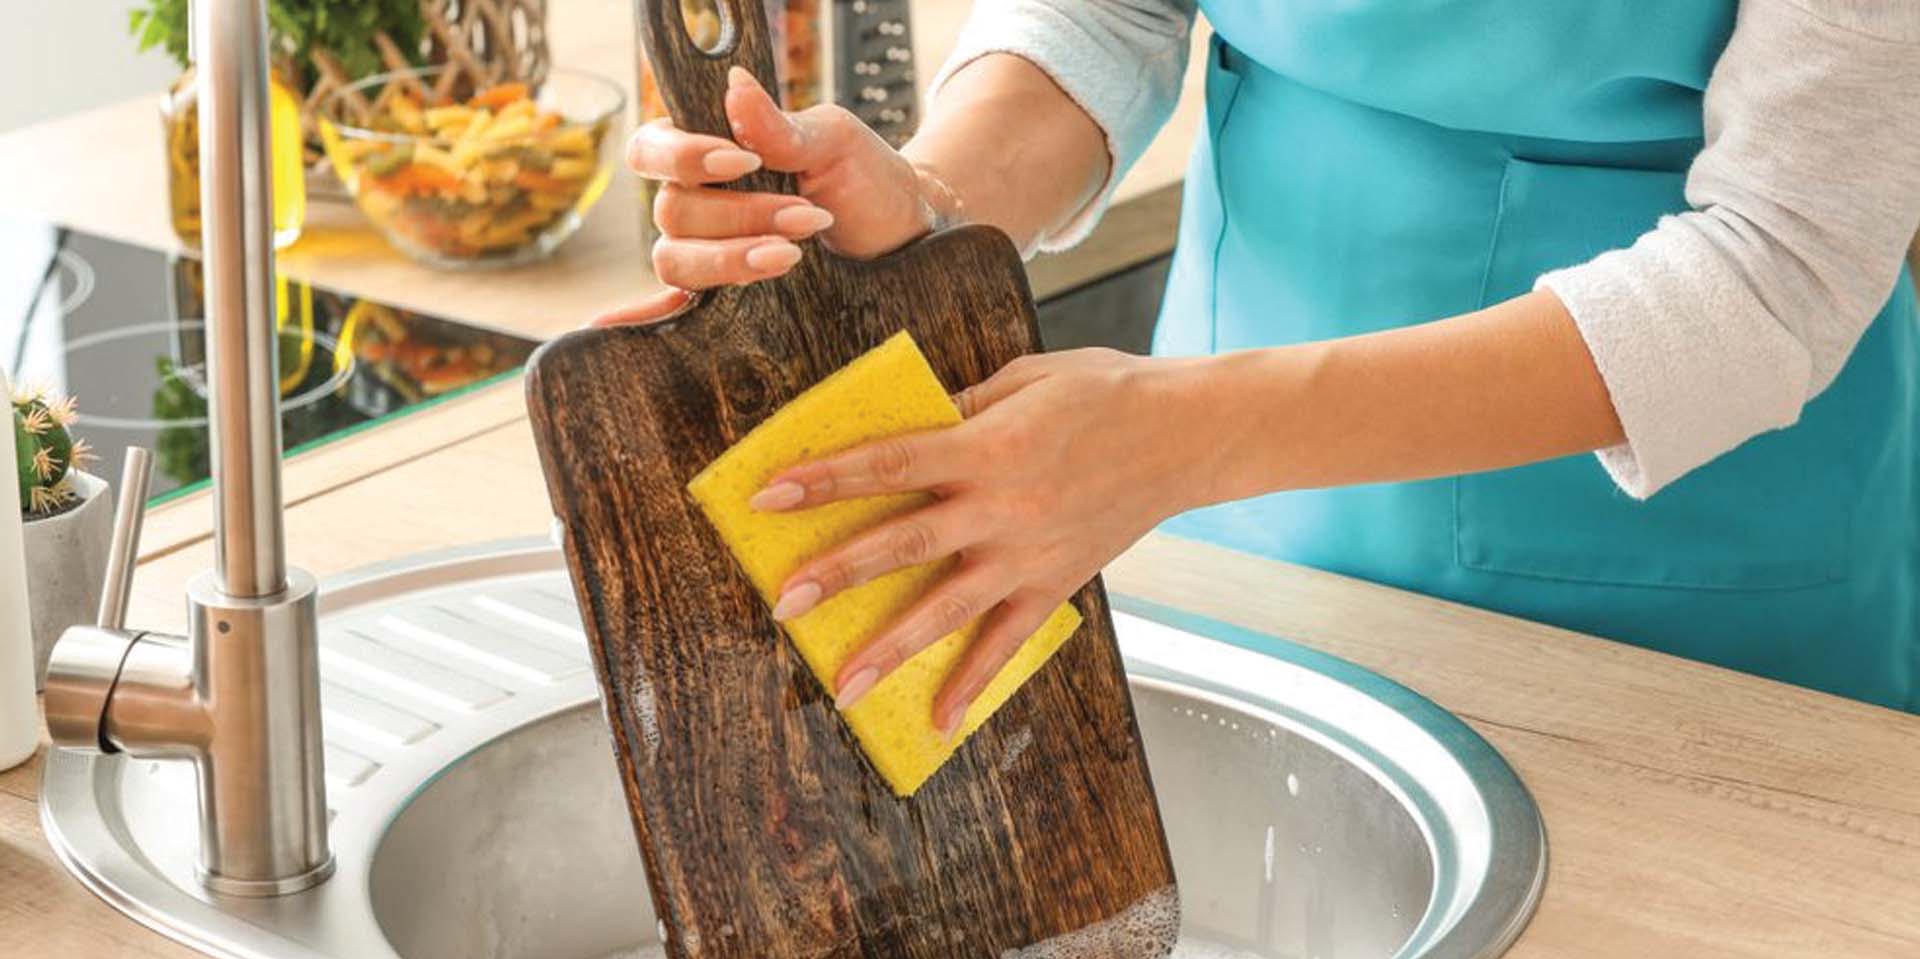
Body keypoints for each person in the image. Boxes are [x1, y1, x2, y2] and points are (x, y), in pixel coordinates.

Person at [603, 1, 1920, 729]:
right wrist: (933, 212)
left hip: (1692, 603)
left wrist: (1191, 435)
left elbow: (1778, 268)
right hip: (1214, 523)